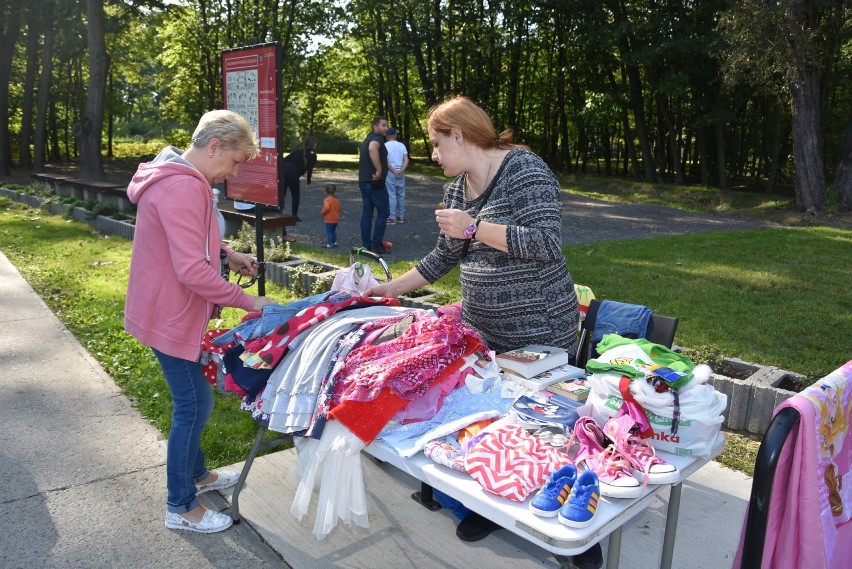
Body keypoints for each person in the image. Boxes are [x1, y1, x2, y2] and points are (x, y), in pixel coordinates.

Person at [365, 96, 596, 567]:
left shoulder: (525, 170)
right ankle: (491, 503)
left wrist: (475, 228)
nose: (432, 154)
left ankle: (577, 524)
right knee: (491, 420)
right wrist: (386, 289)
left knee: (545, 425)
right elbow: (442, 259)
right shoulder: (456, 190)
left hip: (539, 333)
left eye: (435, 143)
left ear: (459, 134)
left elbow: (547, 244)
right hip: (483, 331)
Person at [124, 110, 274, 535]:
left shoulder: (177, 177)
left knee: (194, 398)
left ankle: (198, 476)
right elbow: (191, 271)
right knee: (193, 405)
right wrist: (250, 301)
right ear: (215, 147)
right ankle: (181, 505)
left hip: (164, 310)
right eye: (237, 160)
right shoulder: (182, 187)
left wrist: (226, 253)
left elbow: (188, 236)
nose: (235, 171)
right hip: (169, 315)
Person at [358, 116, 391, 254]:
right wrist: (378, 170)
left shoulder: (367, 138)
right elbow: (373, 148)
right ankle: (376, 245)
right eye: (383, 125)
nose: (386, 128)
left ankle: (366, 245)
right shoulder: (376, 139)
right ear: (375, 127)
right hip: (375, 183)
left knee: (367, 214)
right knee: (384, 213)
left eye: (386, 125)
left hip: (364, 182)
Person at [280, 135, 318, 221]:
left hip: (284, 170)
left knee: (282, 193)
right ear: (313, 144)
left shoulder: (298, 151)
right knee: (295, 195)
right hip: (293, 172)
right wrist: (308, 182)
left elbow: (284, 160)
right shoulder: (313, 155)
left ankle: (278, 212)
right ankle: (294, 215)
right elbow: (309, 169)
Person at [384, 127, 409, 224]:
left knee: (391, 195)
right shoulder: (401, 145)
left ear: (387, 135)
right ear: (395, 135)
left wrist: (394, 171)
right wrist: (401, 170)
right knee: (401, 195)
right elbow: (406, 160)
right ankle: (401, 216)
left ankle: (392, 217)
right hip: (401, 173)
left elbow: (385, 161)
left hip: (390, 172)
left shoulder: (384, 146)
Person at [321, 183, 341, 248]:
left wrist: (322, 212)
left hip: (329, 219)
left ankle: (330, 243)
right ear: (335, 192)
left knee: (329, 232)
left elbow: (327, 207)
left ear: (325, 192)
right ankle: (334, 242)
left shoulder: (327, 200)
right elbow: (339, 209)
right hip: (336, 219)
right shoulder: (337, 201)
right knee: (333, 231)